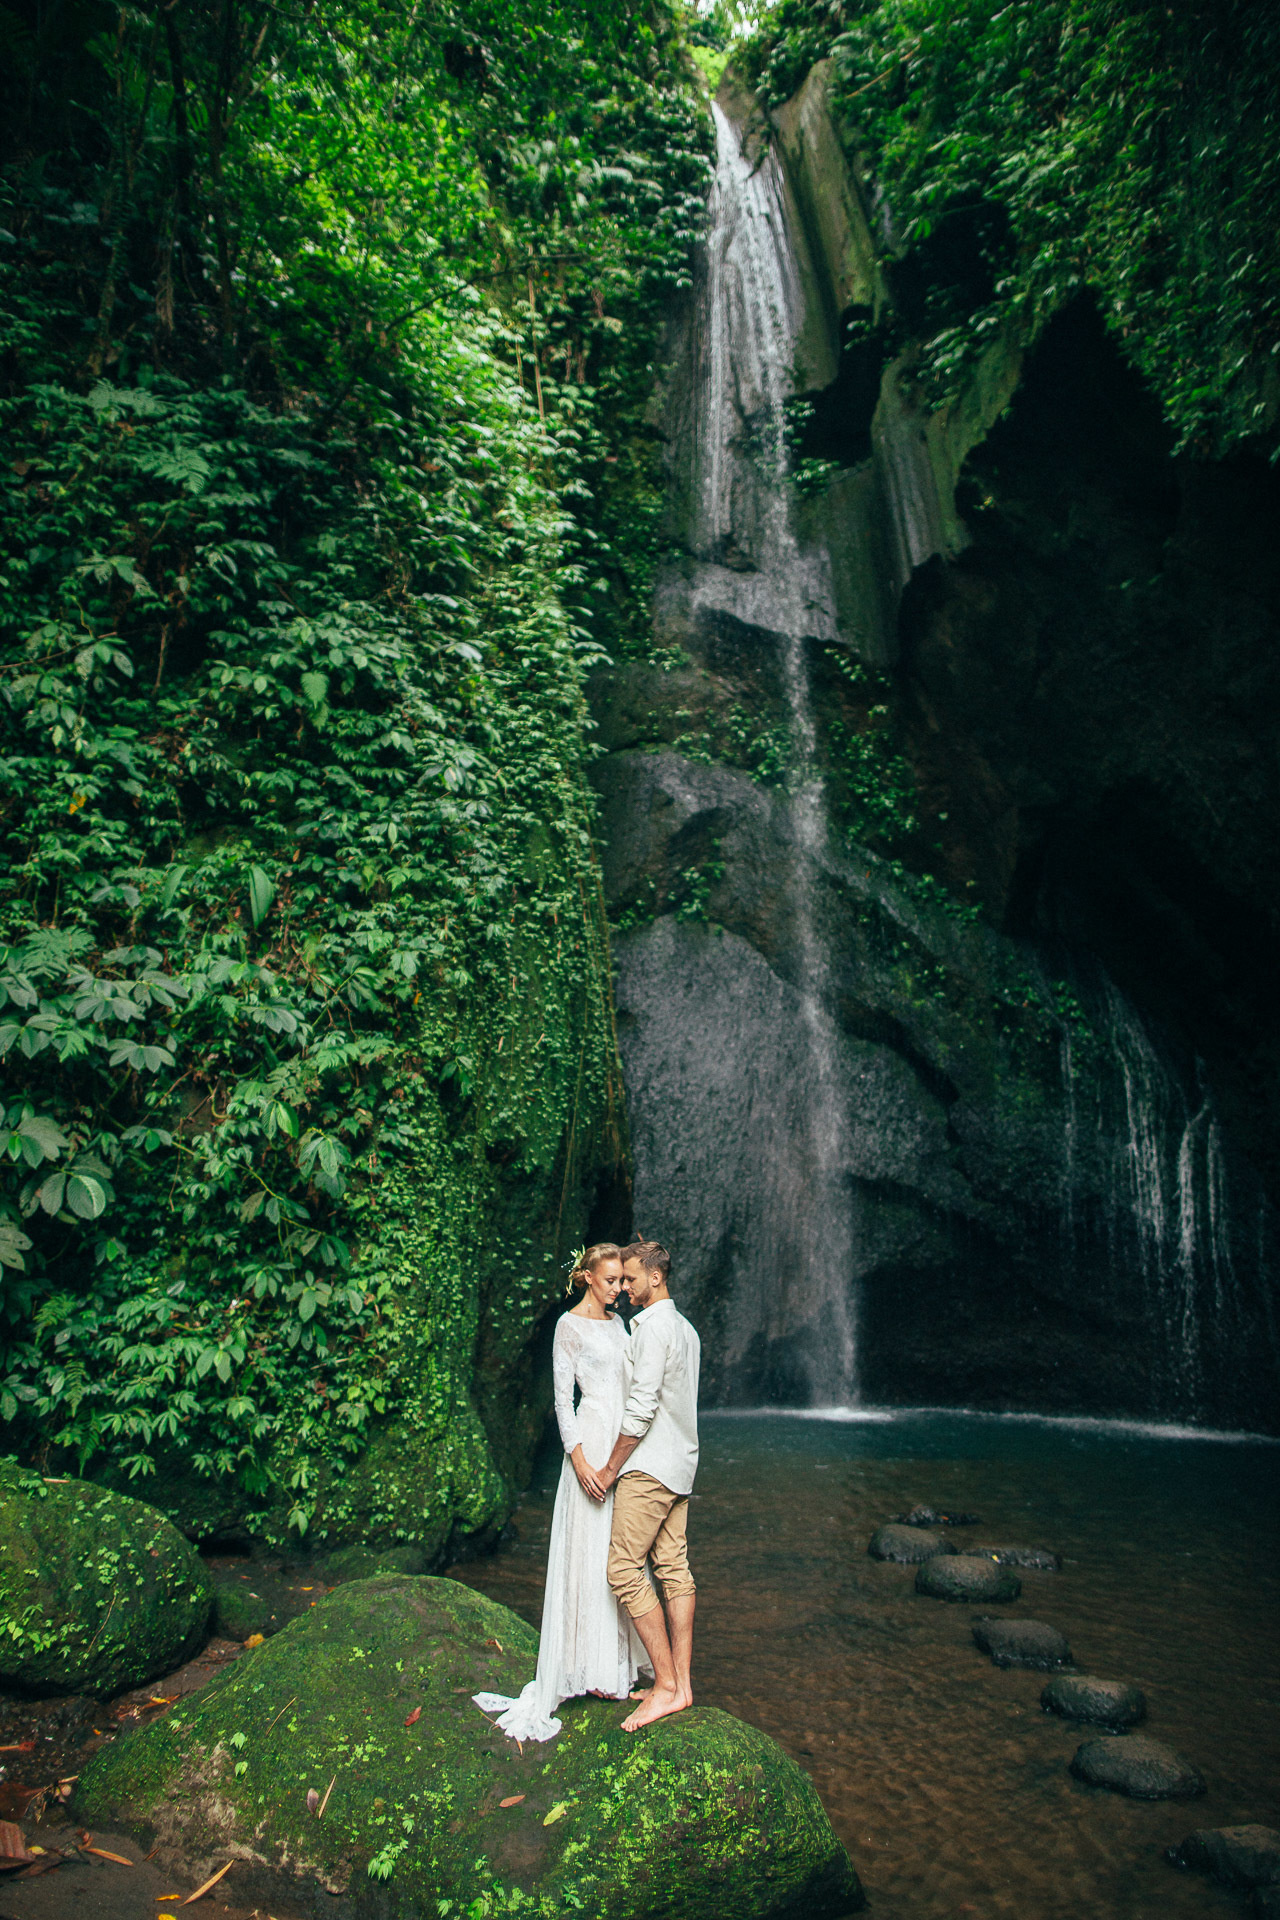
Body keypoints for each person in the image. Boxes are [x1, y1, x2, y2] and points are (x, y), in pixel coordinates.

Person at [473, 1243, 650, 1741]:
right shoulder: (567, 1327)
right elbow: (561, 1402)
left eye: (623, 1279)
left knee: (621, 1552)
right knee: (588, 1553)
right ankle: (583, 1670)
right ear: (588, 1277)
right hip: (591, 1446)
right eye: (612, 1279)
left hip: (623, 1447)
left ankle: (615, 1669)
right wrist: (580, 1462)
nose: (620, 1287)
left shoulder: (621, 1325)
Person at [595, 1239, 701, 1731]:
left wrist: (612, 1466)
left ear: (655, 1278)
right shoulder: (687, 1329)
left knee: (622, 1569)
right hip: (682, 1465)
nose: (626, 1287)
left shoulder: (654, 1330)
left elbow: (641, 1409)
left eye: (632, 1278)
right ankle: (681, 1684)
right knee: (673, 1568)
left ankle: (663, 1686)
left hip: (650, 1468)